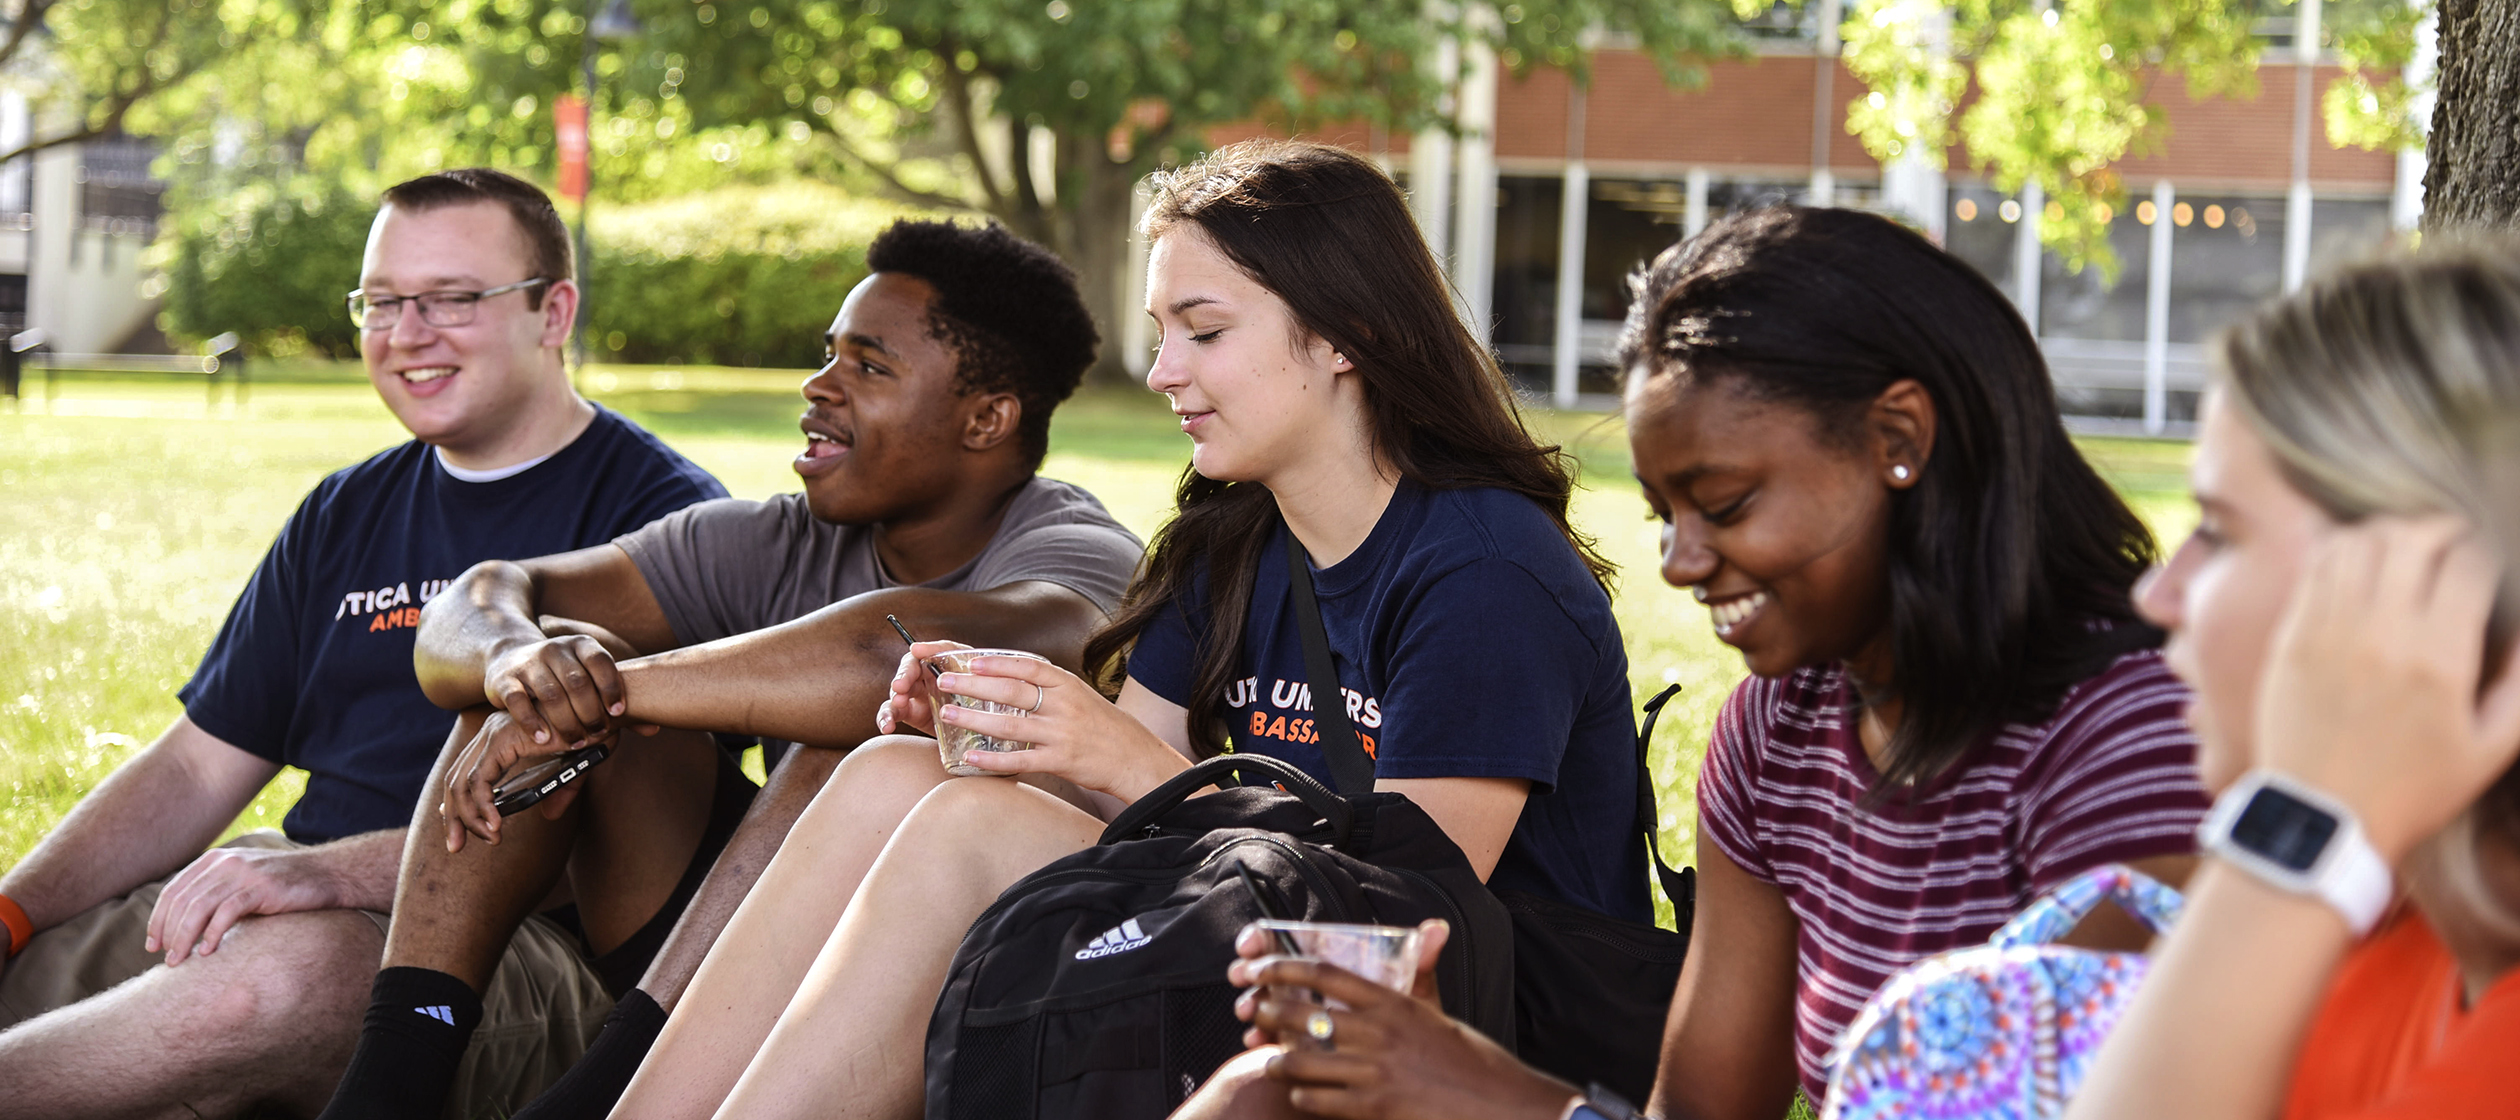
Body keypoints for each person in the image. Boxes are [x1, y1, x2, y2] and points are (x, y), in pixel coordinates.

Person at [564, 138, 1640, 1120]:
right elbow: (1141, 812)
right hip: (1255, 946)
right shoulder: (1236, 542)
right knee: (900, 775)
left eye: (1205, 332)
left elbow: (1415, 898)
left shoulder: (1485, 568)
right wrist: (1001, 732)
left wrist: (1110, 755)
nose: (1165, 371)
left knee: (967, 831)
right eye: (1162, 332)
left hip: (1478, 1039)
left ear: (1348, 335)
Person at [1190, 205, 2216, 1120]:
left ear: (1899, 436)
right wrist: (1436, 1064)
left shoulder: (2126, 735)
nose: (1680, 562)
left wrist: (1486, 1092)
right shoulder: (1780, 733)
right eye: (1664, 515)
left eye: (1723, 504)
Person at [312, 219, 1144, 1120]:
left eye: (869, 367)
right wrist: (520, 658)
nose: (818, 387)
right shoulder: (779, 537)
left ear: (987, 418)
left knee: (871, 732)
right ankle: (390, 1083)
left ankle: (606, 1090)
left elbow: (895, 657)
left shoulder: (1077, 550)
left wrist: (615, 691)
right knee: (541, 669)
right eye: (828, 355)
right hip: (718, 947)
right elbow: (480, 599)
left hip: (929, 982)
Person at [0, 168, 727, 1118]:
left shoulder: (664, 522)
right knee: (57, 961)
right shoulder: (345, 509)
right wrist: (14, 912)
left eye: (451, 299)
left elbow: (601, 827)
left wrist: (322, 874)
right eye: (381, 301)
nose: (406, 332)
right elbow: (195, 770)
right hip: (281, 892)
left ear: (555, 312)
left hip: (507, 954)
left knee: (287, 977)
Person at [2062, 247, 2520, 1120]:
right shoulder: (2394, 940)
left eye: (2220, 532)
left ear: (2437, 584)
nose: (2156, 594)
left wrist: (2306, 815)